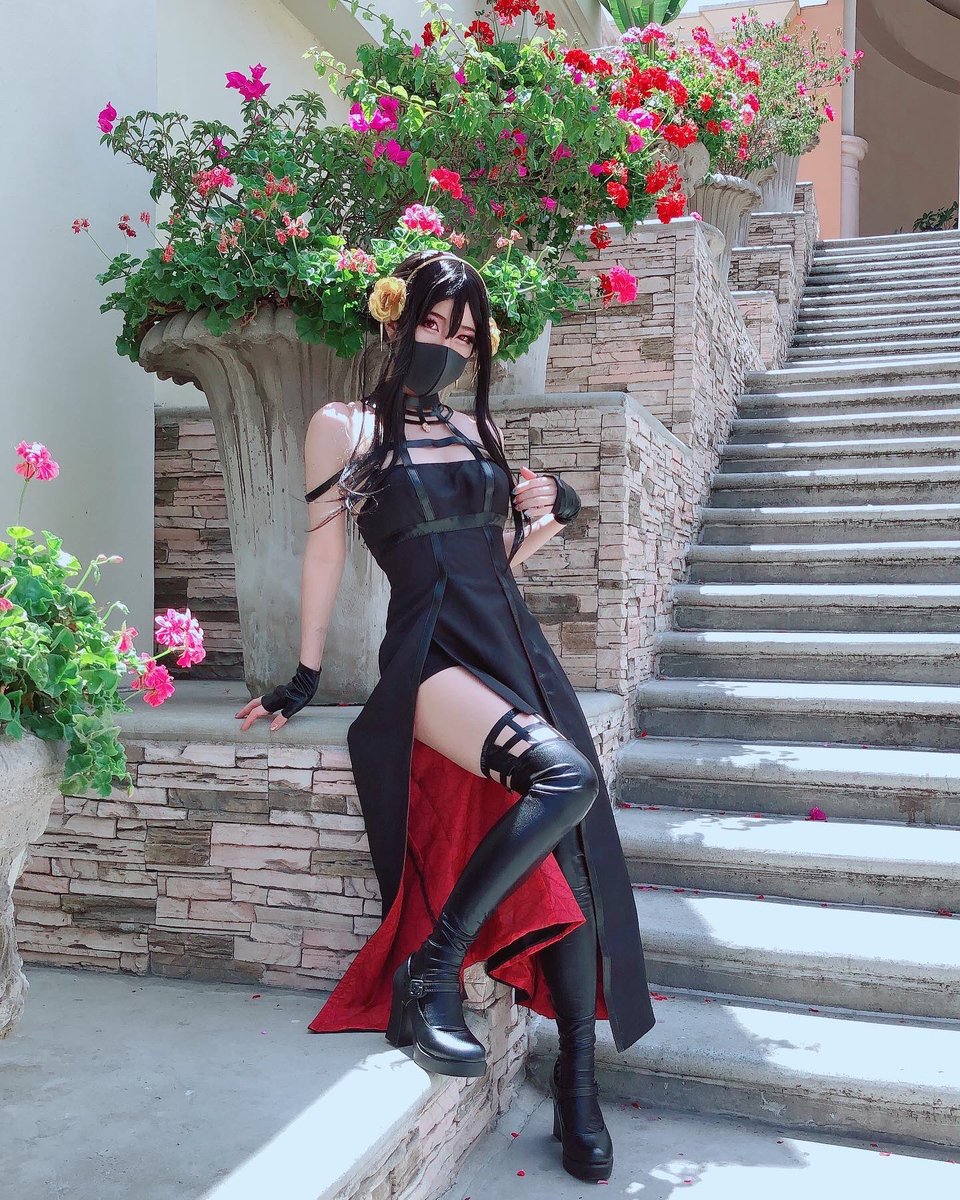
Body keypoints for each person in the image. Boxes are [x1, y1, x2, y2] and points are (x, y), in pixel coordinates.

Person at [235, 249, 656, 1183]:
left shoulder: (477, 430)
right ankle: (433, 966)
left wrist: (551, 514)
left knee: (578, 862)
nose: (446, 346)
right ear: (395, 319)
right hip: (428, 651)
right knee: (567, 778)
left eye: (464, 336)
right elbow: (324, 554)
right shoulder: (342, 426)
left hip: (509, 643)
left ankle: (578, 1086)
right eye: (432, 323)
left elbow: (490, 560)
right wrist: (303, 675)